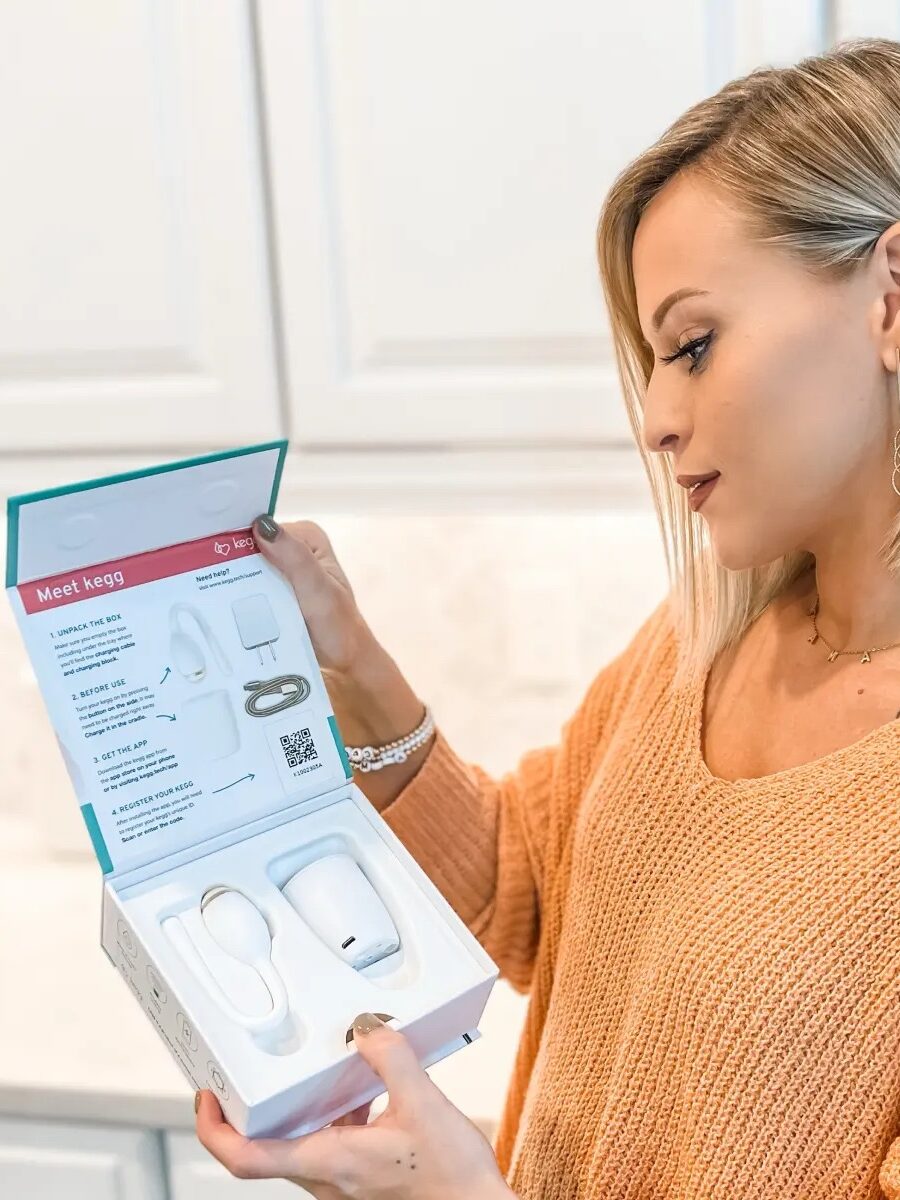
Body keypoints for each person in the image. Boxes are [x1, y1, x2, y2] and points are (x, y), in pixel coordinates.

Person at [196, 35, 900, 1200]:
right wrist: (343, 648)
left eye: (693, 345)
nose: (659, 420)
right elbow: (524, 890)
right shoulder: (698, 642)